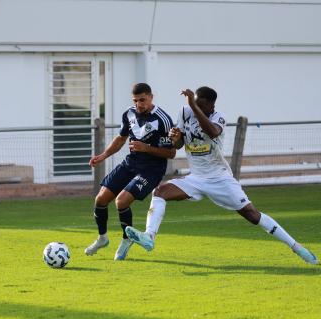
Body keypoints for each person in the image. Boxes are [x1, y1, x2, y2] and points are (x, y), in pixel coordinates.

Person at [125, 86, 318, 264]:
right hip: (196, 178)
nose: (195, 110)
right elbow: (179, 144)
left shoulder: (219, 117)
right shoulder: (185, 112)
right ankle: (149, 237)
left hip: (220, 178)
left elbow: (212, 132)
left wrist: (193, 104)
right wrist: (176, 138)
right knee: (160, 191)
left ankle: (296, 247)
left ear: (211, 106)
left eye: (200, 106)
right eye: (194, 106)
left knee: (252, 215)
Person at [85, 83, 176, 260]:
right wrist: (102, 155)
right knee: (101, 198)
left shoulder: (163, 120)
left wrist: (146, 148)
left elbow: (171, 153)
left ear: (151, 97)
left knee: (121, 201)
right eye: (135, 100)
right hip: (131, 163)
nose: (138, 104)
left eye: (142, 100)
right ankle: (102, 238)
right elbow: (121, 138)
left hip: (152, 169)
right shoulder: (129, 113)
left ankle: (126, 240)